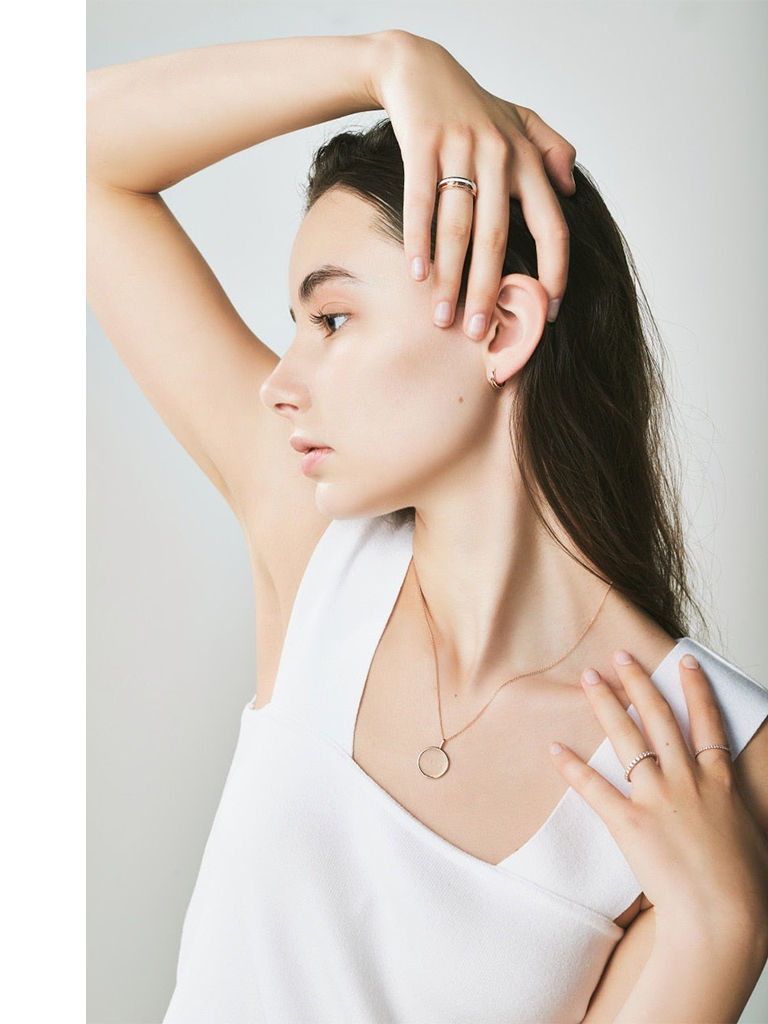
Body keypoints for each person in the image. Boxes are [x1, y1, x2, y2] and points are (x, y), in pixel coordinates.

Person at [86, 29, 768, 1024]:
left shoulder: (711, 753)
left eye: (331, 320)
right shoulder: (320, 561)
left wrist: (723, 933)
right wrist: (383, 62)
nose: (280, 382)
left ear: (503, 328)